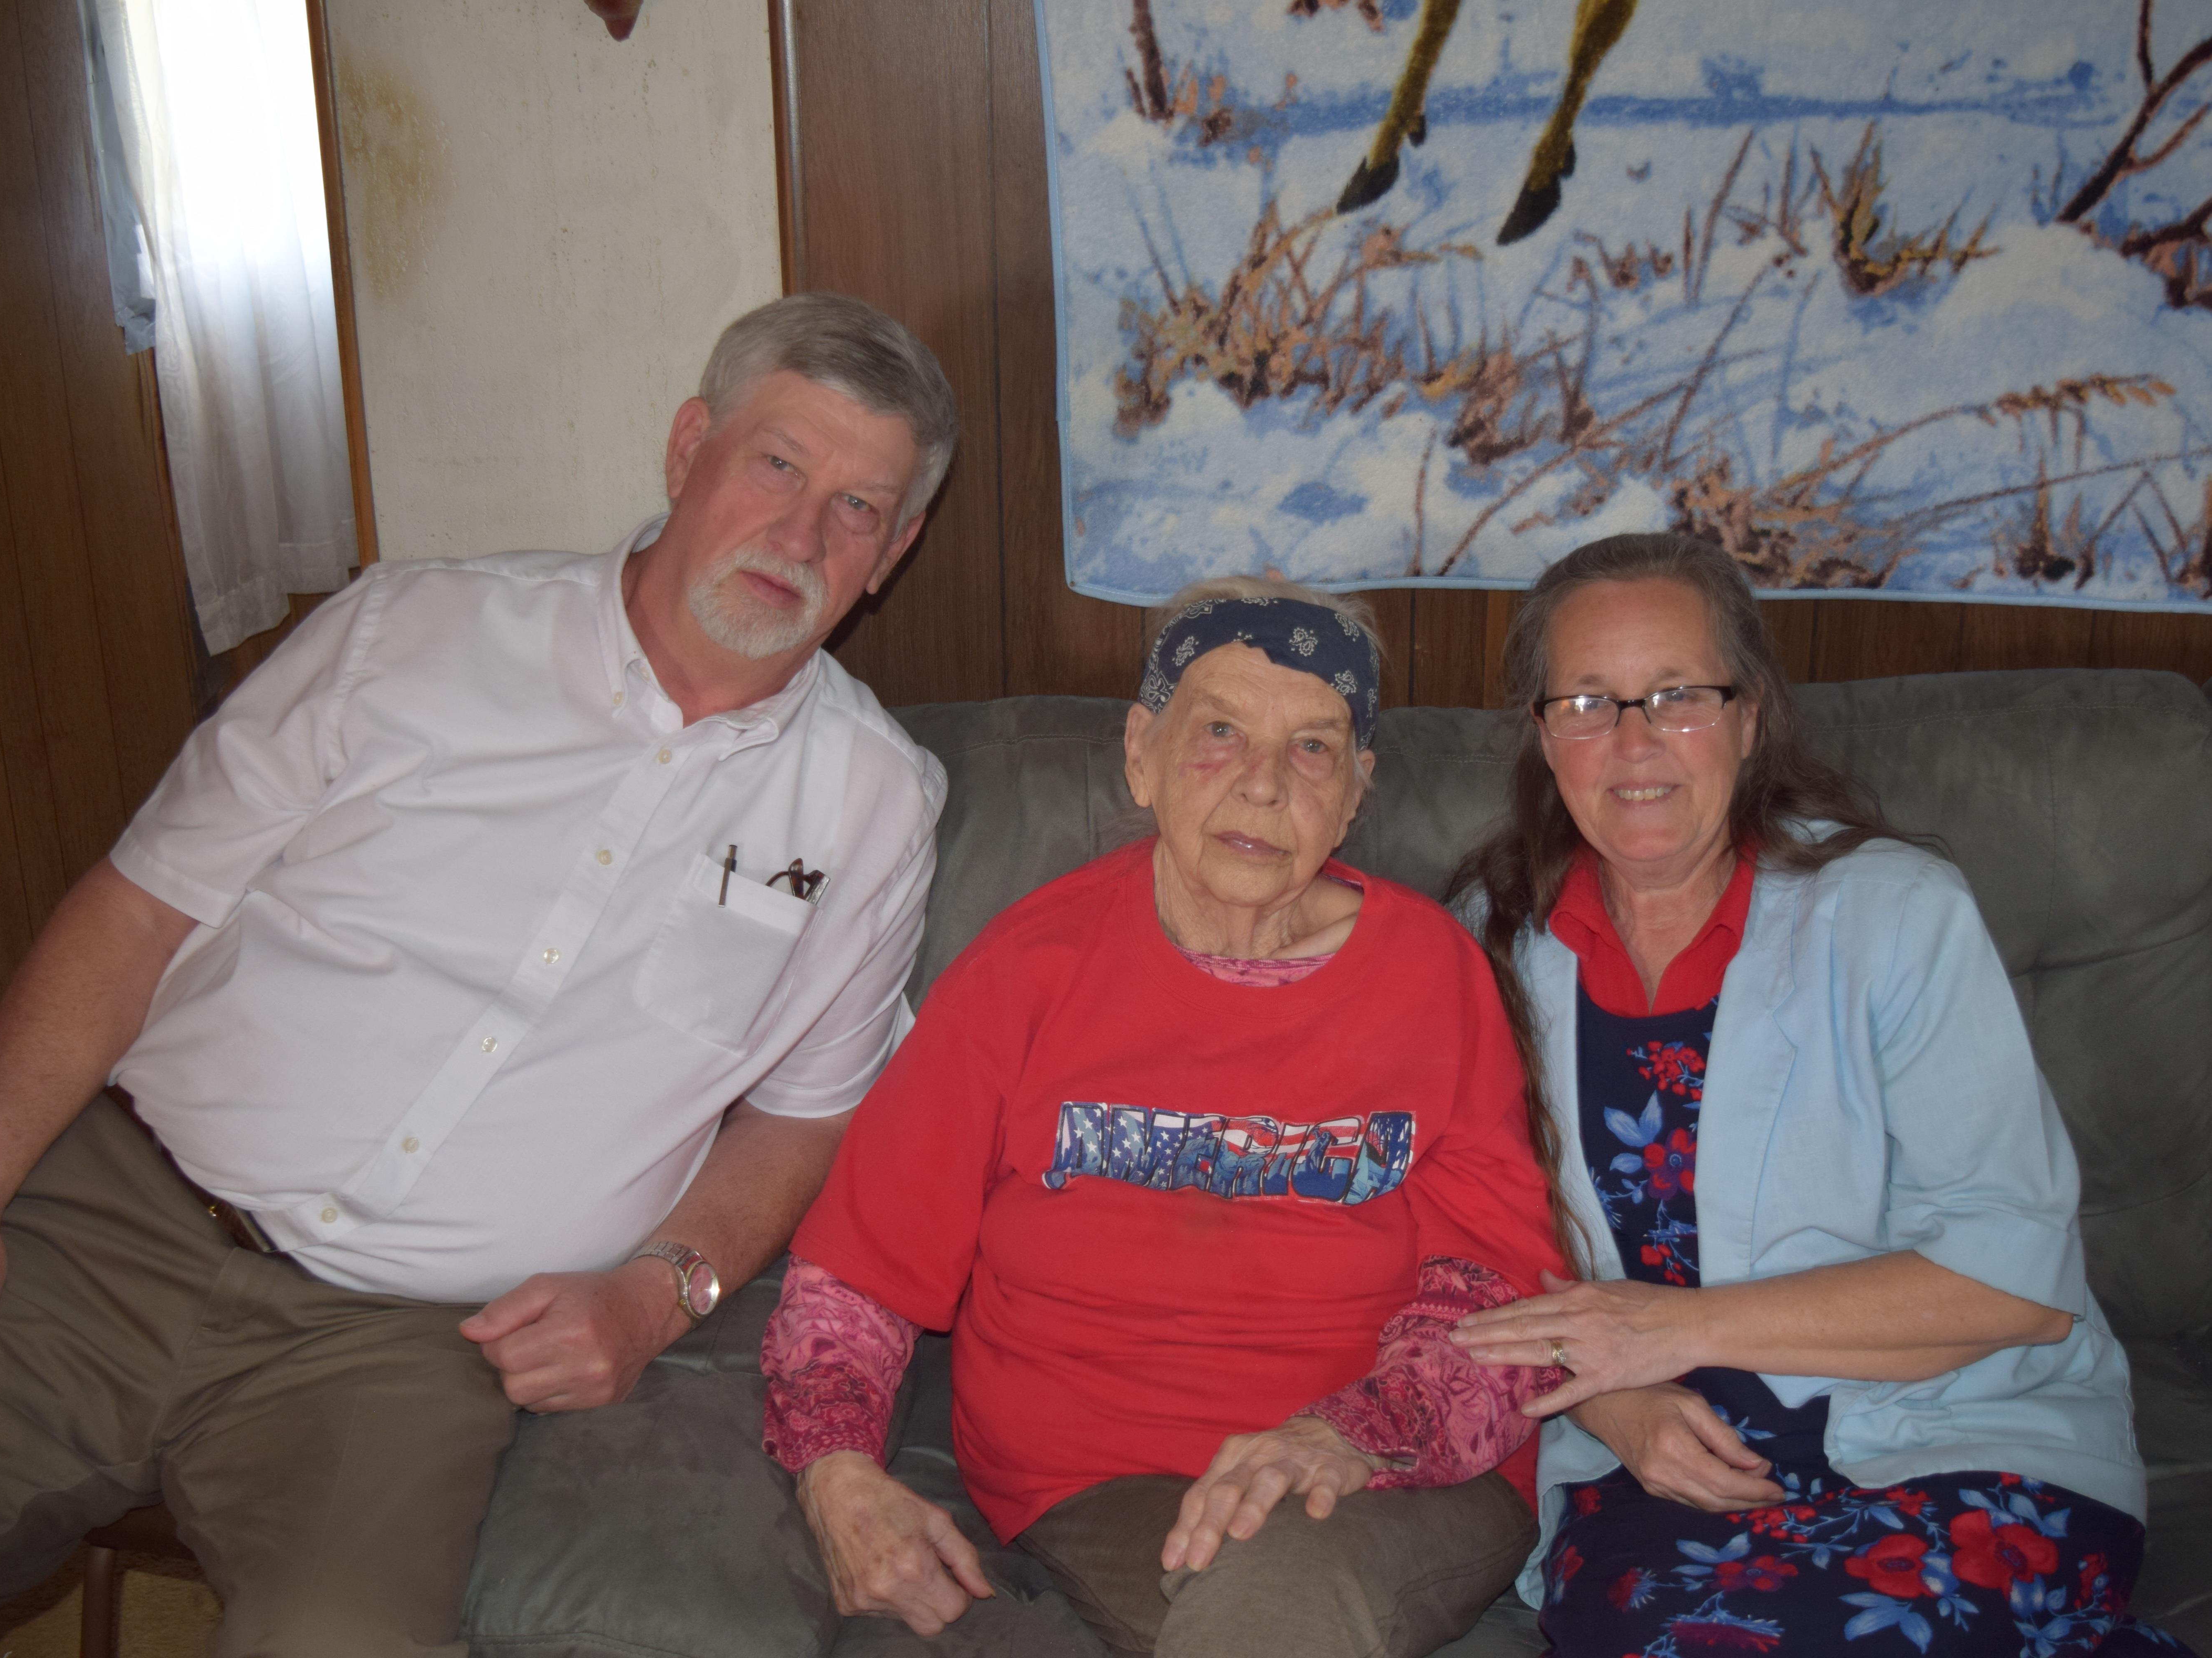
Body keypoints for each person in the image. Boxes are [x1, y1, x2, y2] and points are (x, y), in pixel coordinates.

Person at [0, 293, 958, 1657]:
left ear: (892, 553)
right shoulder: (407, 630)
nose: (799, 534)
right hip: (115, 1225)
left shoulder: (875, 804)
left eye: (856, 508)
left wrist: (657, 1297)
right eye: (779, 465)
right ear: (688, 449)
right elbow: (138, 910)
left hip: (405, 1351)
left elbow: (809, 1111)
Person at [759, 576, 1572, 1658]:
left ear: (1357, 791)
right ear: (1143, 752)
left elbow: (1501, 1299)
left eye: (1315, 748)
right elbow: (857, 1270)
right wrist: (837, 1474)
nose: (1266, 784)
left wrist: (1344, 1438)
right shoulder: (1026, 972)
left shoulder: (1434, 976)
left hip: (1382, 1479)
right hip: (1099, 1484)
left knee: (1272, 1586)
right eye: (1221, 731)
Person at [1441, 533, 2195, 1654]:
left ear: (1749, 719)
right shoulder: (1484, 942)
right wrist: (1610, 1399)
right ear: (1543, 734)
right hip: (1661, 1460)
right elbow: (1460, 1239)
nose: (1635, 742)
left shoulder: (1896, 915)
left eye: (1678, 695)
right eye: (1590, 701)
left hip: (1957, 1435)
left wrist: (1673, 1328)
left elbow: (2015, 1285)